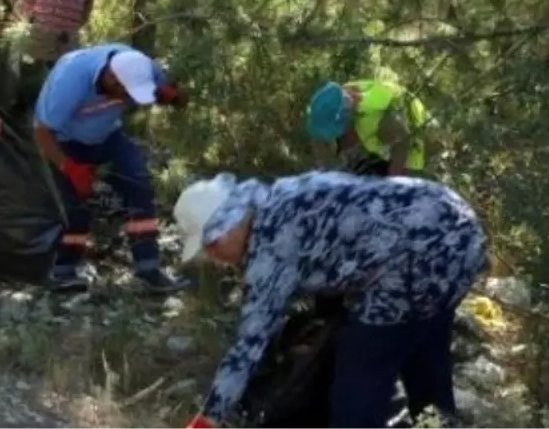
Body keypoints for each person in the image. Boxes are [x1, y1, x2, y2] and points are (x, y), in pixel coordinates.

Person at [174, 171, 488, 429]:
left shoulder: (271, 245)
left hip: (422, 257)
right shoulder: (281, 194)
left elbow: (248, 346)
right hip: (458, 228)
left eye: (211, 248)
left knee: (359, 381)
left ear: (226, 228)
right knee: (422, 356)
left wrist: (207, 420)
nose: (215, 259)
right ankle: (437, 424)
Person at [33, 42, 191, 293]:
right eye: (126, 94)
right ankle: (62, 271)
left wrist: (172, 96)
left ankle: (148, 270)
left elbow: (172, 93)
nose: (128, 101)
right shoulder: (70, 80)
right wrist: (69, 167)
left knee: (137, 183)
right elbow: (42, 132)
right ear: (111, 78)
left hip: (108, 135)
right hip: (63, 142)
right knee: (75, 208)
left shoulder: (142, 67)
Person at [306, 79, 429, 177]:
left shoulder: (373, 106)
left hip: (406, 160)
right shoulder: (340, 98)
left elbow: (402, 140)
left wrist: (391, 185)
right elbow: (320, 138)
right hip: (378, 151)